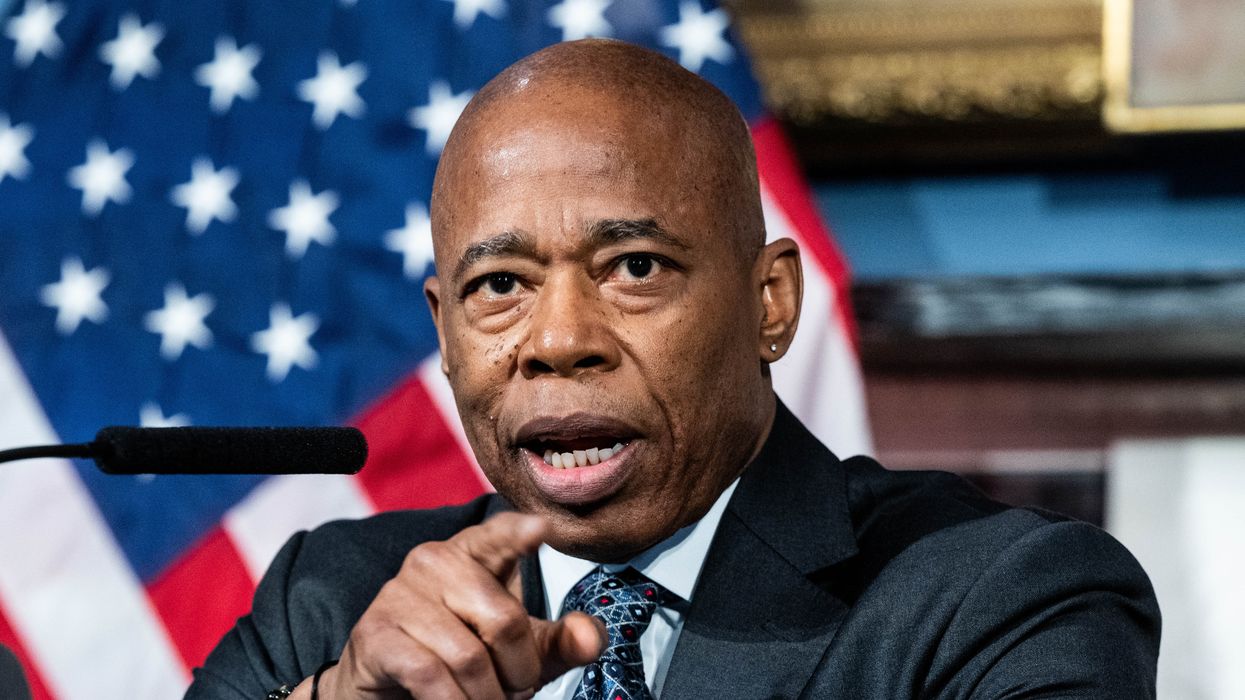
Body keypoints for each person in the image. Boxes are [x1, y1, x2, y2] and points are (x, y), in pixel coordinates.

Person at [185, 39, 1160, 700]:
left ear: (770, 302)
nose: (557, 339)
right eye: (500, 285)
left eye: (635, 268)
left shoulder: (1003, 599)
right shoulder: (329, 607)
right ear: (444, 334)